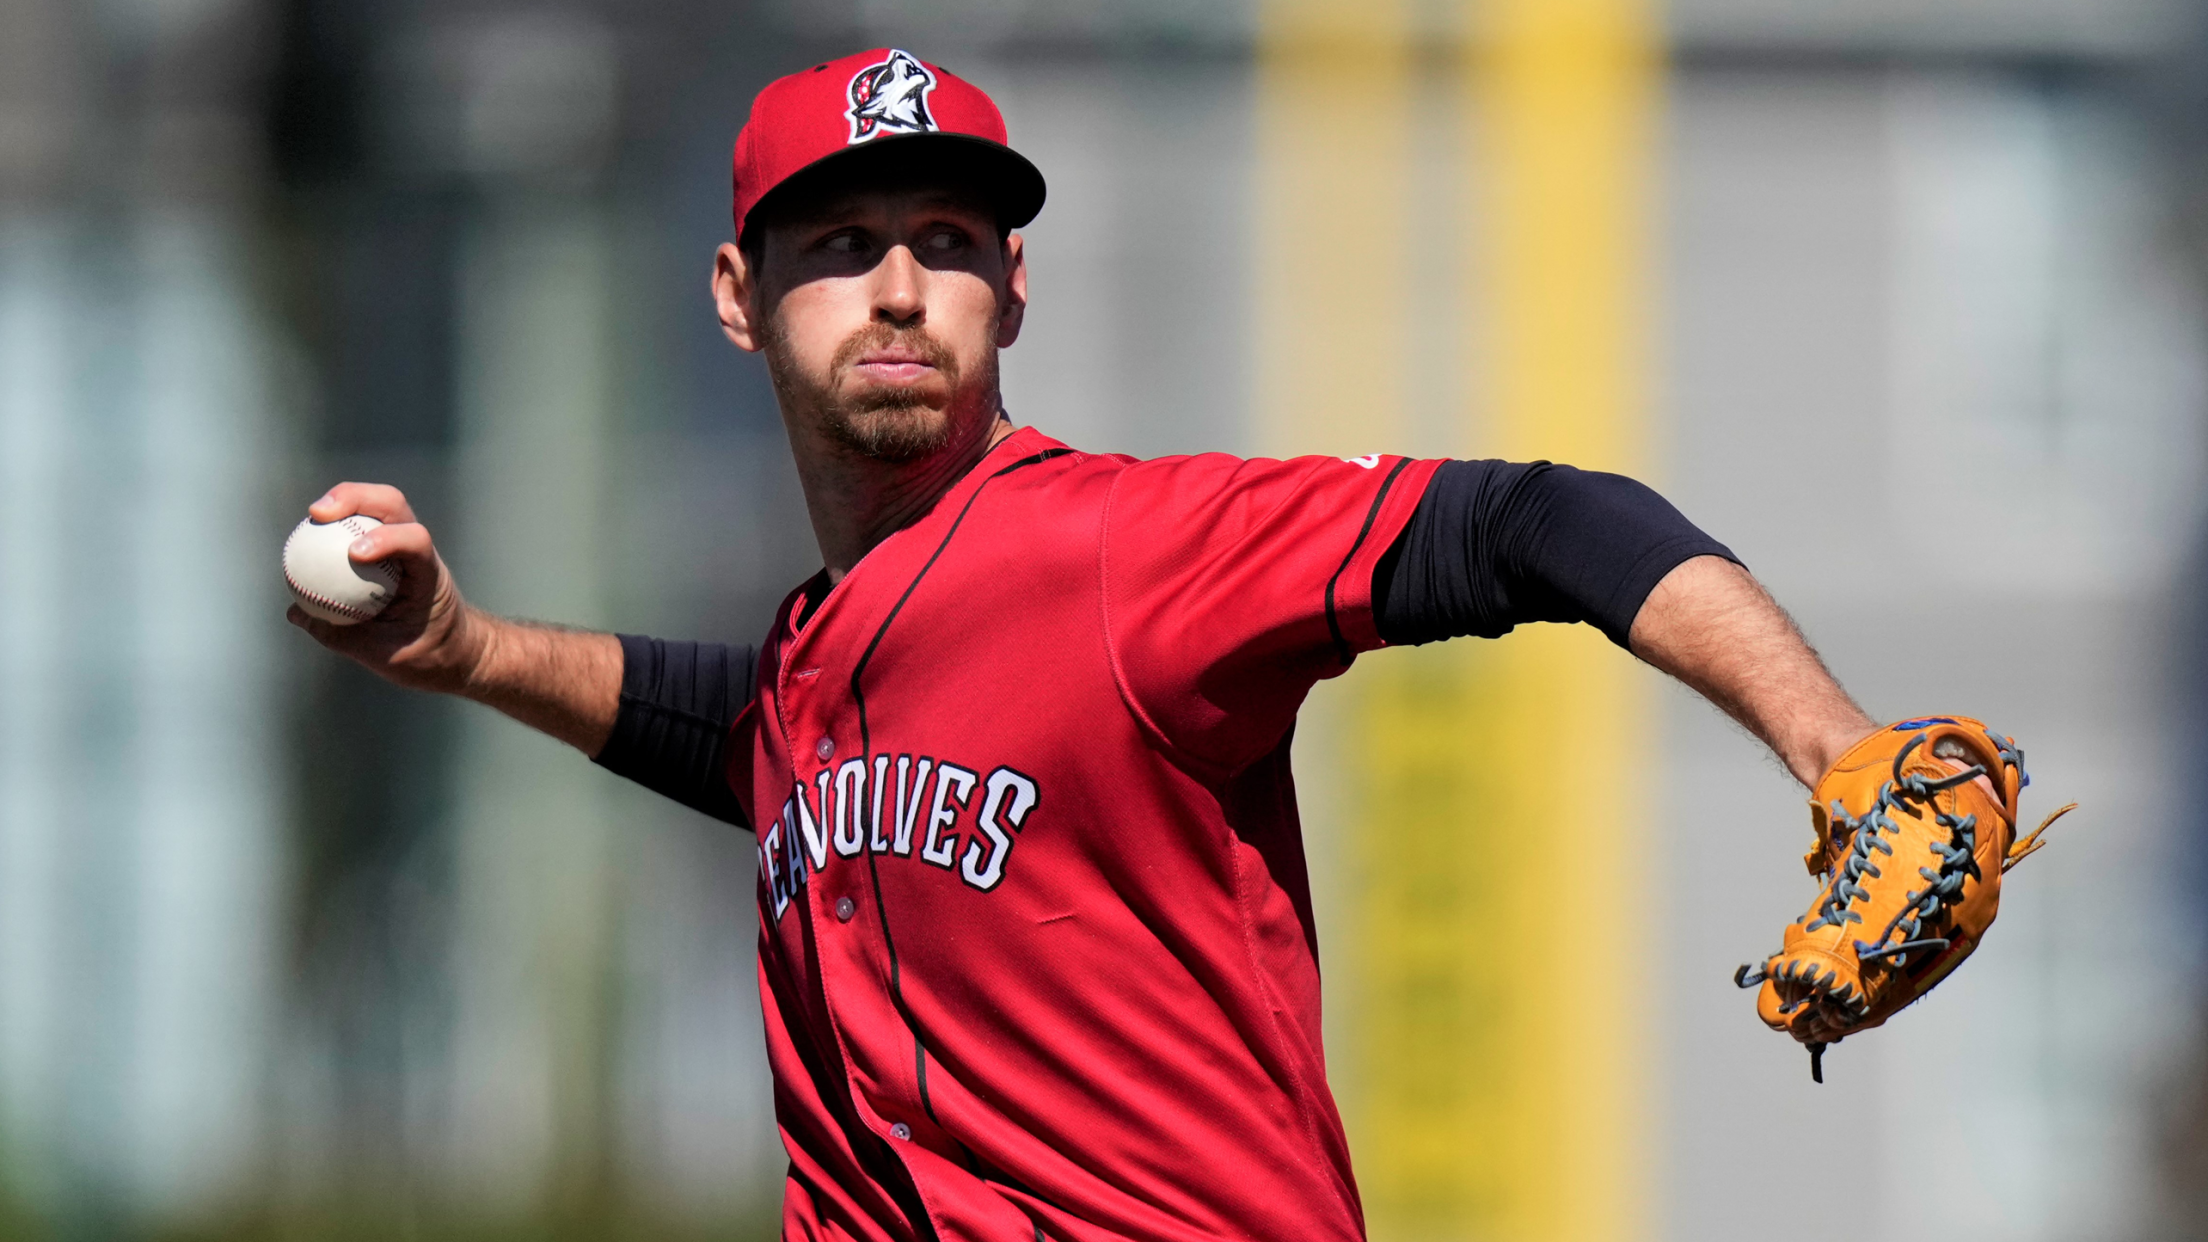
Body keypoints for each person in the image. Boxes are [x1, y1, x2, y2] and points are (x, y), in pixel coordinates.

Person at [292, 47, 1890, 1242]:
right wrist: (466, 646)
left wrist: (1841, 748)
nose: (900, 289)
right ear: (737, 293)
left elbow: (1538, 517)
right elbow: (746, 732)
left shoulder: (1129, 552)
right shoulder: (811, 667)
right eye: (841, 243)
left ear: (1013, 286)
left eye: (947, 239)